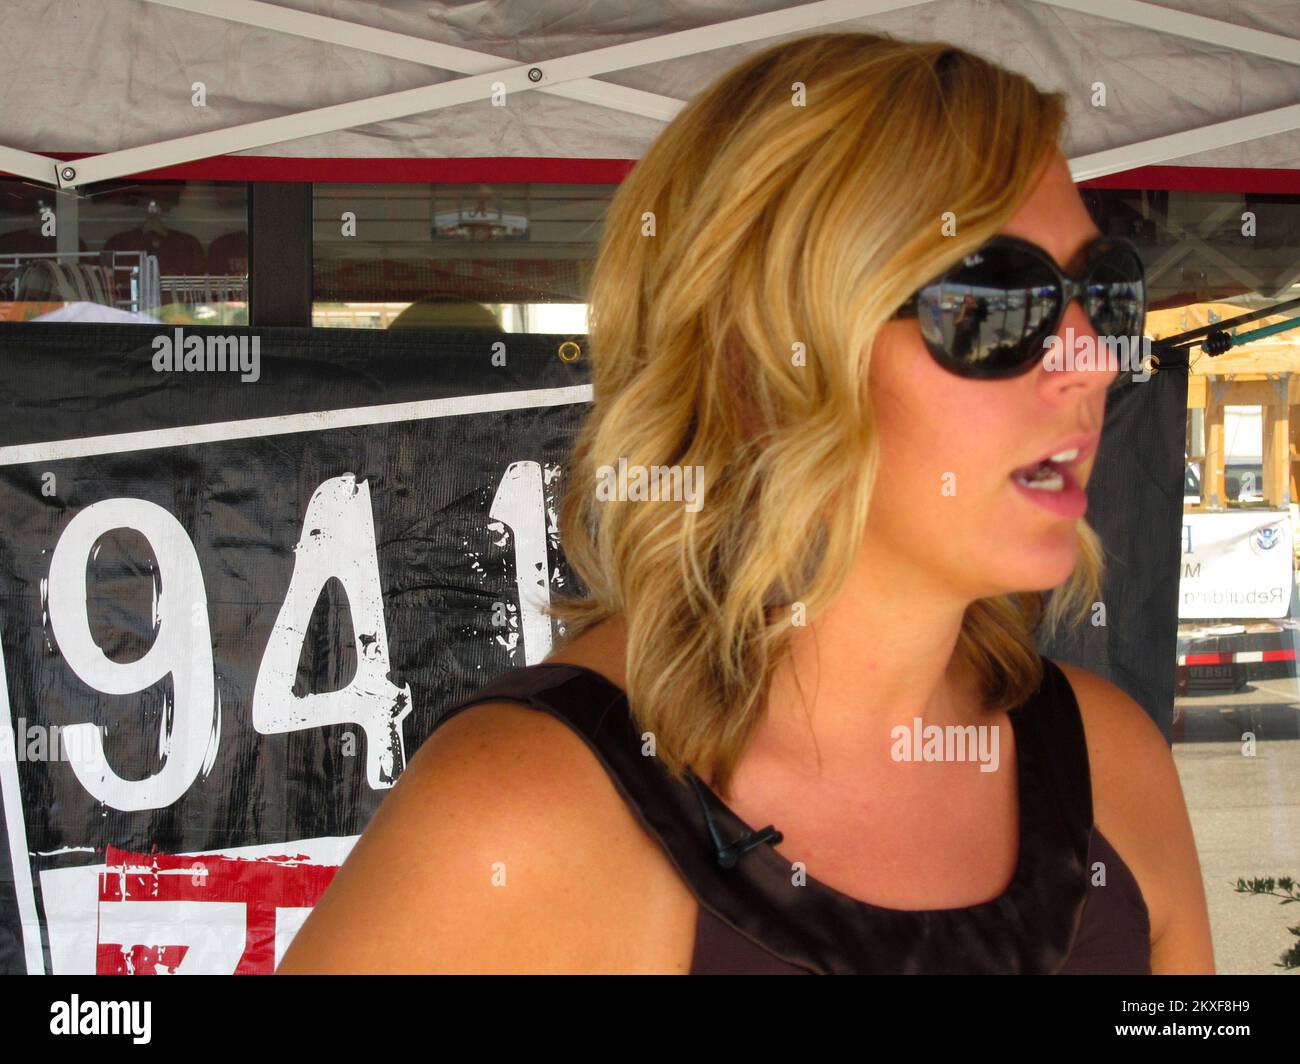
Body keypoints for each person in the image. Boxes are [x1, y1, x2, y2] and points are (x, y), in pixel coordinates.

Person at [276, 31, 1214, 975]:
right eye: (994, 301)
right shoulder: (525, 819)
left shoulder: (1112, 772)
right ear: (758, 364)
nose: (1092, 359)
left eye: (1104, 295)